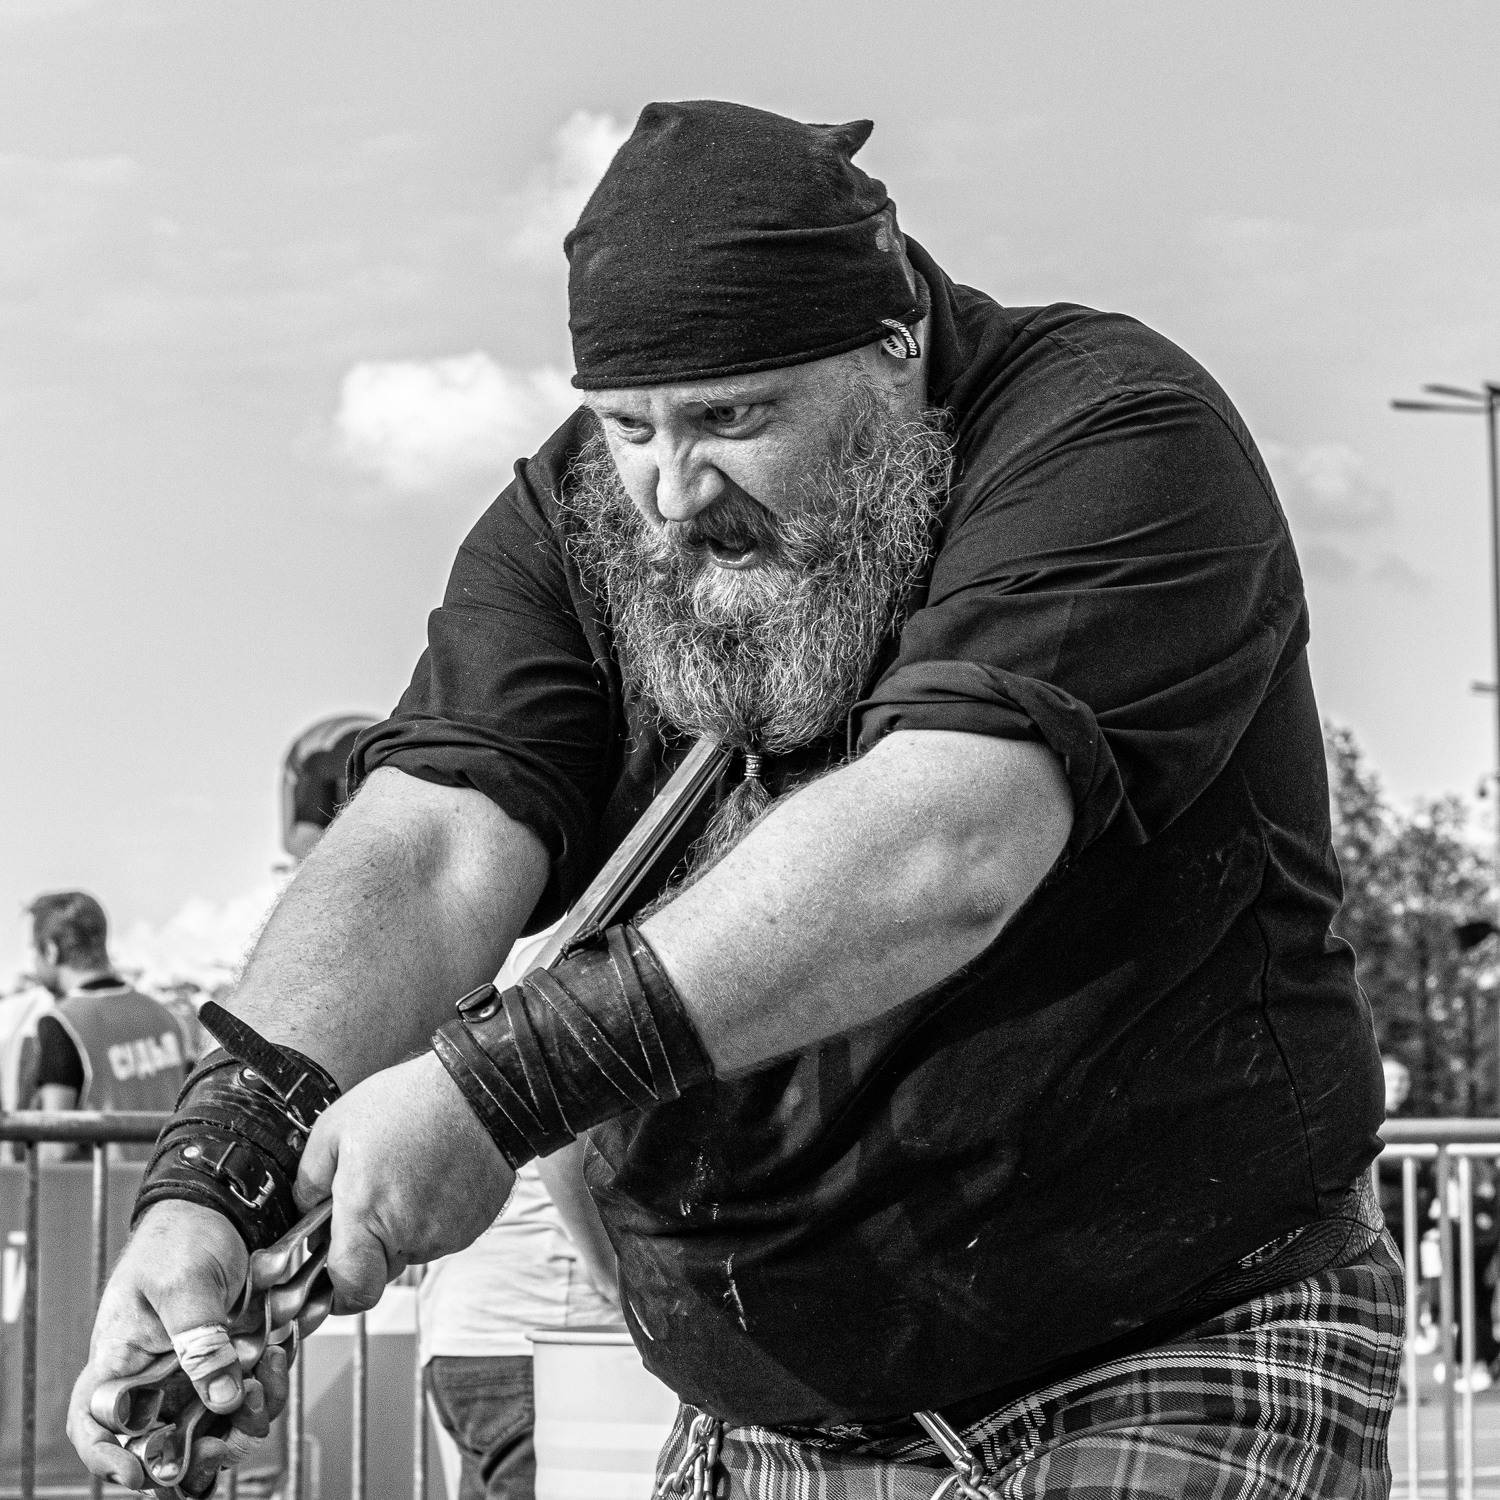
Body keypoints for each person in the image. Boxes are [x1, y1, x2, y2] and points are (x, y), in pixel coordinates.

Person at [68, 100, 1398, 1499]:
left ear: (896, 347)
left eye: (732, 418)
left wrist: (494, 1094)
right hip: (779, 1404)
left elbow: (945, 842)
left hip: (1165, 1335)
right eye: (628, 426)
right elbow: (436, 842)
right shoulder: (580, 509)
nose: (672, 493)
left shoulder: (1111, 431)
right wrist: (217, 1169)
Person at [419, 924, 622, 1500]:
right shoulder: (570, 951)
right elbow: (562, 1139)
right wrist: (613, 1277)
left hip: (466, 1333)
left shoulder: (483, 967)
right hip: (543, 1335)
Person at [24, 891, 189, 1162]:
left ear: (51, 951)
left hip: (110, 1186)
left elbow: (56, 1149)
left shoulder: (61, 1022)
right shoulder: (165, 1016)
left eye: (34, 950)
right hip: (173, 1180)